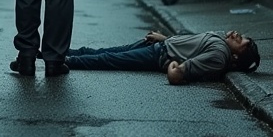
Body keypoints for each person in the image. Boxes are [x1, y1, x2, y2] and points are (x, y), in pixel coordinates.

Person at [67, 29, 261, 85]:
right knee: (103, 52)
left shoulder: (219, 56)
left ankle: (64, 61)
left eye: (240, 41)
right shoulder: (220, 43)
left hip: (157, 55)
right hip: (157, 45)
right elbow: (189, 46)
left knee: (108, 60)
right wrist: (166, 39)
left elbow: (176, 74)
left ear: (235, 58)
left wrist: (172, 61)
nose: (237, 34)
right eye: (242, 35)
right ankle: (59, 52)